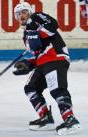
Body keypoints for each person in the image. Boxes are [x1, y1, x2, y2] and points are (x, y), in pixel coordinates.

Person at [13, 2, 82, 135]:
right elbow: (38, 52)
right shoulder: (26, 35)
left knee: (57, 89)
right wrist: (28, 63)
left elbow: (53, 25)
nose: (21, 15)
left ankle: (71, 119)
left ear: (29, 12)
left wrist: (34, 27)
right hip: (43, 61)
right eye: (18, 14)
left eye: (23, 12)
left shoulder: (37, 17)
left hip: (55, 57)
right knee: (31, 88)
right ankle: (45, 118)